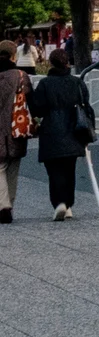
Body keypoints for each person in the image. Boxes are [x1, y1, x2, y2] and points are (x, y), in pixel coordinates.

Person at [29, 49, 95, 221]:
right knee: (69, 168)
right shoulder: (77, 82)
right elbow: (86, 105)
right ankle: (68, 204)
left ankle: (59, 202)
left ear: (51, 63)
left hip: (51, 130)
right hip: (74, 130)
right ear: (68, 63)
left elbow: (37, 109)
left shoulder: (45, 84)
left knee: (54, 170)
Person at [0, 39, 32, 225]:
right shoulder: (21, 76)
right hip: (16, 127)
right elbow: (31, 100)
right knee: (13, 168)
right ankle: (9, 204)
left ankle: (3, 205)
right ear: (14, 55)